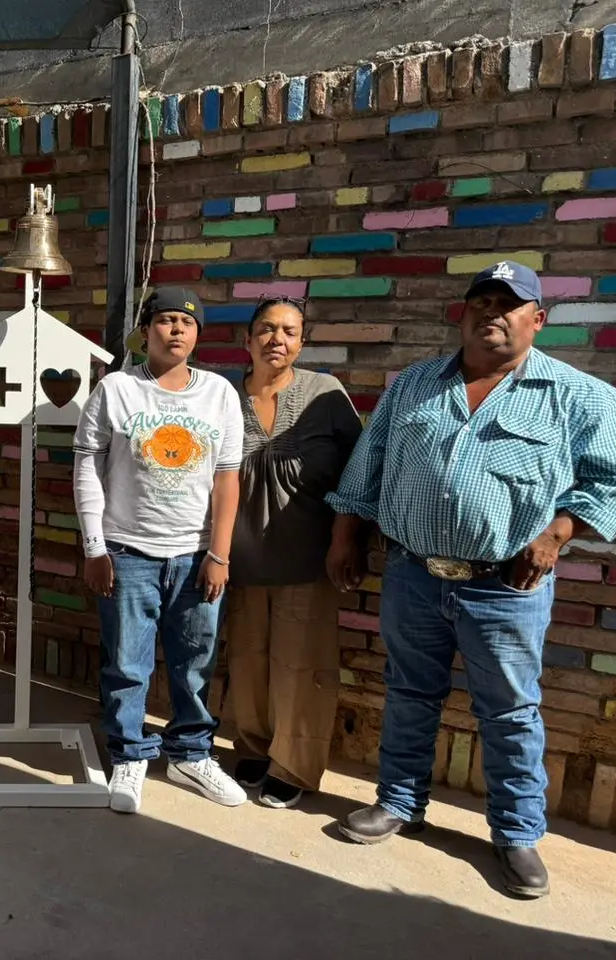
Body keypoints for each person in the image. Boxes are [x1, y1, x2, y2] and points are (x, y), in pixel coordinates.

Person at [325, 262, 616, 898]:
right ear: (462, 313)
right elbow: (369, 466)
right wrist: (345, 537)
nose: (492, 313)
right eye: (482, 302)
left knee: (508, 711)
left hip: (505, 588)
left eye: (509, 305)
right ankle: (400, 802)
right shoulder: (414, 385)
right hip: (414, 574)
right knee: (409, 692)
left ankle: (517, 834)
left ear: (538, 320)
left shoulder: (578, 397)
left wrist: (556, 535)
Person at [72, 287, 246, 814]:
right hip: (128, 552)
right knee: (127, 663)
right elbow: (86, 466)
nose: (176, 331)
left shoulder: (219, 393)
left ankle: (191, 753)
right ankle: (130, 754)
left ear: (197, 334)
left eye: (186, 323)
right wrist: (95, 547)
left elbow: (227, 478)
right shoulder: (117, 390)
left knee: (195, 661)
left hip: (194, 556)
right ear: (145, 331)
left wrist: (219, 554)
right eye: (166, 321)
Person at [224, 298, 363, 809]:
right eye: (265, 329)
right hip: (239, 560)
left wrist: (346, 540)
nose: (276, 339)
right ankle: (256, 748)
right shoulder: (223, 396)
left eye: (288, 331)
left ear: (301, 342)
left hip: (309, 558)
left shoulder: (325, 395)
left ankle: (294, 767)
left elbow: (358, 471)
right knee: (248, 660)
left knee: (300, 668)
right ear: (248, 339)